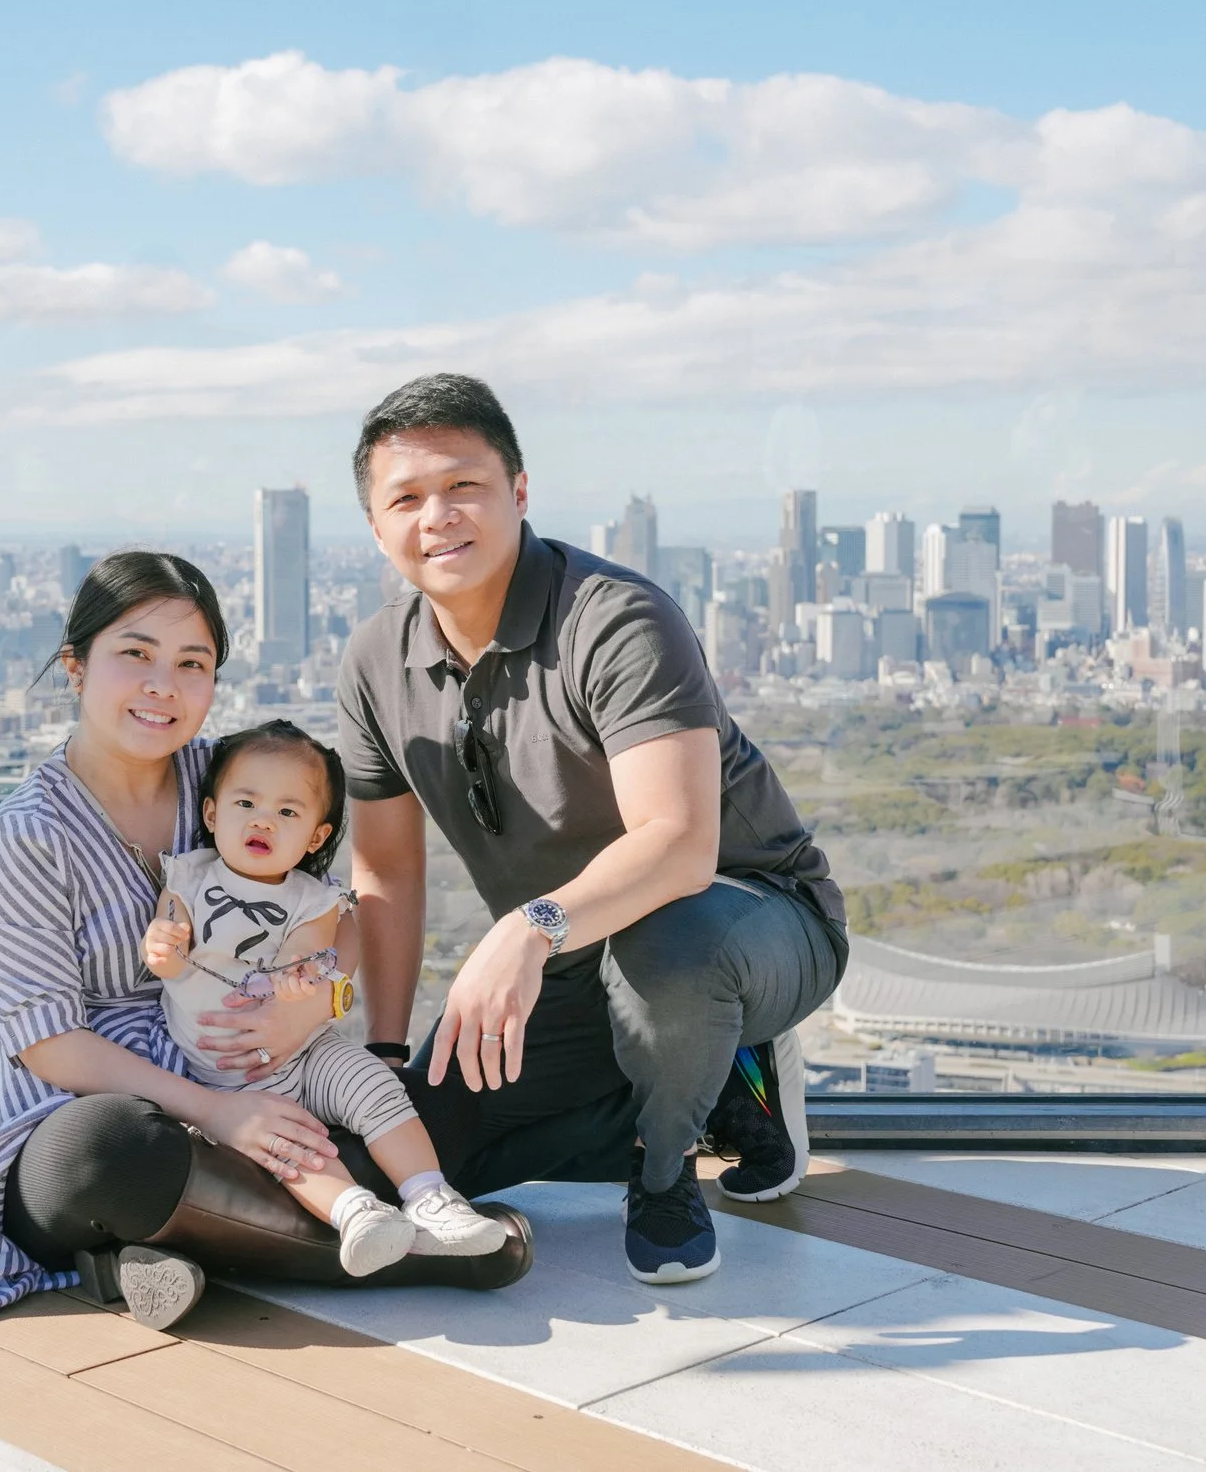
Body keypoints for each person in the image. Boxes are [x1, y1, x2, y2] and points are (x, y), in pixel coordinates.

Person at [0, 551, 529, 1337]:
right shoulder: (27, 836)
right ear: (75, 665)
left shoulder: (232, 782)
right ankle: (433, 1251)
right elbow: (52, 1047)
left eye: (192, 663)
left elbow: (338, 917)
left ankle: (166, 1249)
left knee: (416, 1091)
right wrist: (219, 1113)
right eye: (135, 654)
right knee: (111, 1151)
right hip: (86, 1103)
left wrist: (311, 1006)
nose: (164, 684)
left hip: (248, 1062)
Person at [338, 373, 848, 1284]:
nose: (438, 516)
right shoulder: (377, 659)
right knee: (416, 1161)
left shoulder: (615, 618)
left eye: (465, 487)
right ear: (377, 527)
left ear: (520, 493)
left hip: (750, 918)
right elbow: (384, 869)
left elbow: (679, 842)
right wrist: (381, 1061)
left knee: (670, 948)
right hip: (578, 955)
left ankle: (663, 1176)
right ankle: (720, 1086)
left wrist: (526, 928)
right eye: (406, 498)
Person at [143, 720, 505, 1276]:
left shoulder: (314, 898)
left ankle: (431, 1196)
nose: (264, 819)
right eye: (246, 803)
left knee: (376, 1089)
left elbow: (312, 959)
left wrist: (298, 982)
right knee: (290, 1148)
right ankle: (356, 1213)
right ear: (213, 815)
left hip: (310, 1051)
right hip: (228, 1075)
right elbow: (167, 958)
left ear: (315, 837)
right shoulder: (189, 877)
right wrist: (162, 944)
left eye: (289, 812)